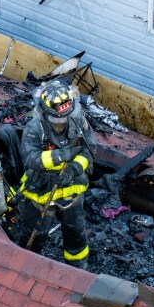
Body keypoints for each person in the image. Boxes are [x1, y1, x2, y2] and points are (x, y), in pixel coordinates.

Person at [17, 79, 97, 270]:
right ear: (46, 111)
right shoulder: (34, 128)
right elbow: (31, 158)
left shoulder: (78, 121)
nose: (61, 124)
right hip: (42, 188)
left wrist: (74, 169)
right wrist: (60, 155)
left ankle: (77, 267)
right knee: (35, 231)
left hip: (72, 185)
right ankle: (27, 266)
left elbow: (90, 149)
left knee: (75, 230)